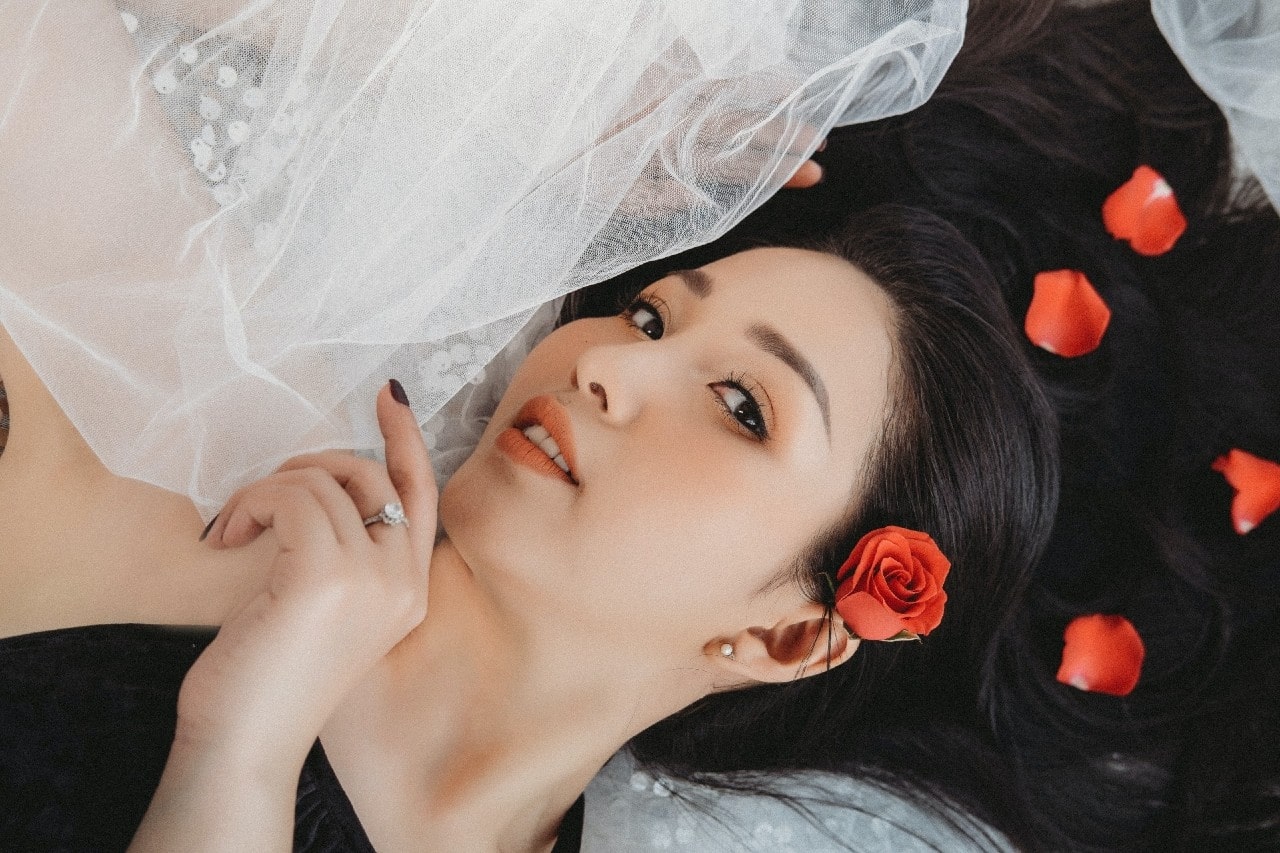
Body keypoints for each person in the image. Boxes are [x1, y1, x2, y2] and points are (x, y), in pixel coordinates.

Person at [3, 2, 1280, 853]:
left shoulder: (273, 661)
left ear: (786, 632)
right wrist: (508, 80)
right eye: (655, 317)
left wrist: (243, 745)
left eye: (741, 408)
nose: (611, 363)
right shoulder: (249, 480)